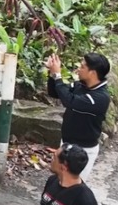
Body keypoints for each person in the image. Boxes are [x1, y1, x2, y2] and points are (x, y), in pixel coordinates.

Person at [45, 52, 111, 180]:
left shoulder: (100, 98)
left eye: (82, 67)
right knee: (58, 180)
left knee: (72, 186)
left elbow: (69, 101)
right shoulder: (80, 85)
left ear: (92, 72)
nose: (78, 69)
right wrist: (52, 74)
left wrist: (58, 75)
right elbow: (55, 93)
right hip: (66, 144)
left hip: (83, 150)